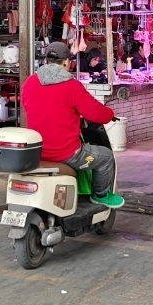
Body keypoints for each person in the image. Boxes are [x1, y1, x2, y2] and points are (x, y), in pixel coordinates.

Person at [21, 41, 124, 208]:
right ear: (66, 62)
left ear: (46, 61)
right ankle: (101, 196)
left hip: (37, 151)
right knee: (106, 157)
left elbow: (29, 106)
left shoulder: (30, 83)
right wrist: (110, 114)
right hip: (67, 153)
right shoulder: (72, 86)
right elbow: (94, 113)